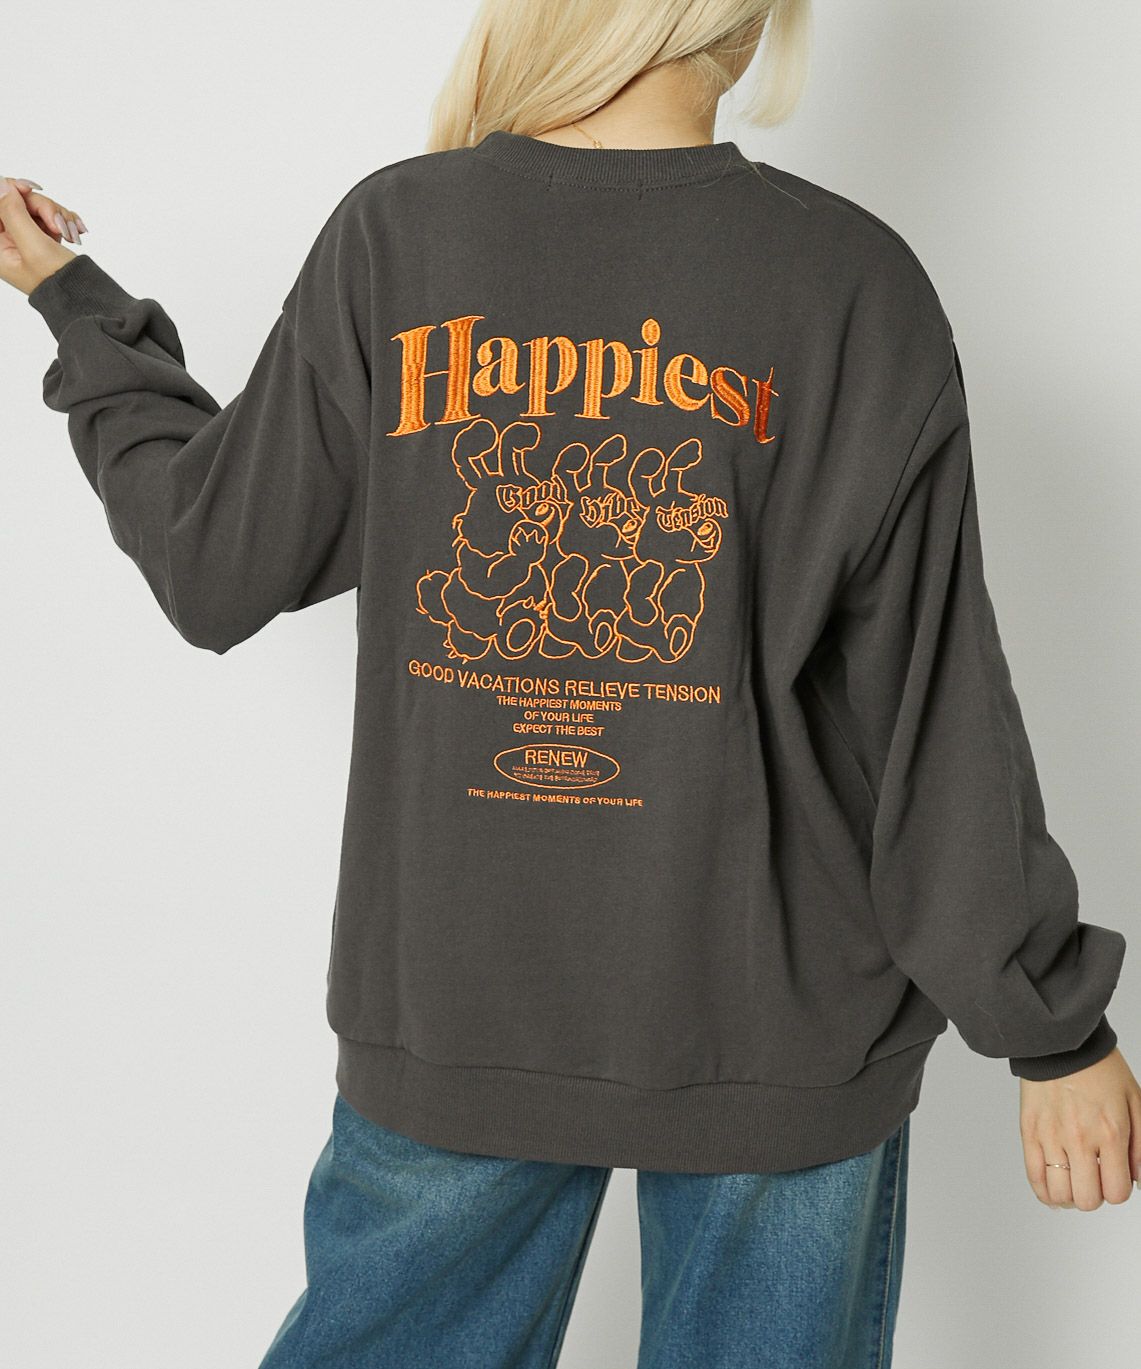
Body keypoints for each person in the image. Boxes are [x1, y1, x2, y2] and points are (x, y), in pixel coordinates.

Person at [4, 1, 1137, 1365]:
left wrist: (78, 313)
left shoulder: (403, 236)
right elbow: (929, 710)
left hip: (465, 999)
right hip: (772, 1015)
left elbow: (210, 553)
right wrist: (1050, 1030)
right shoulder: (847, 276)